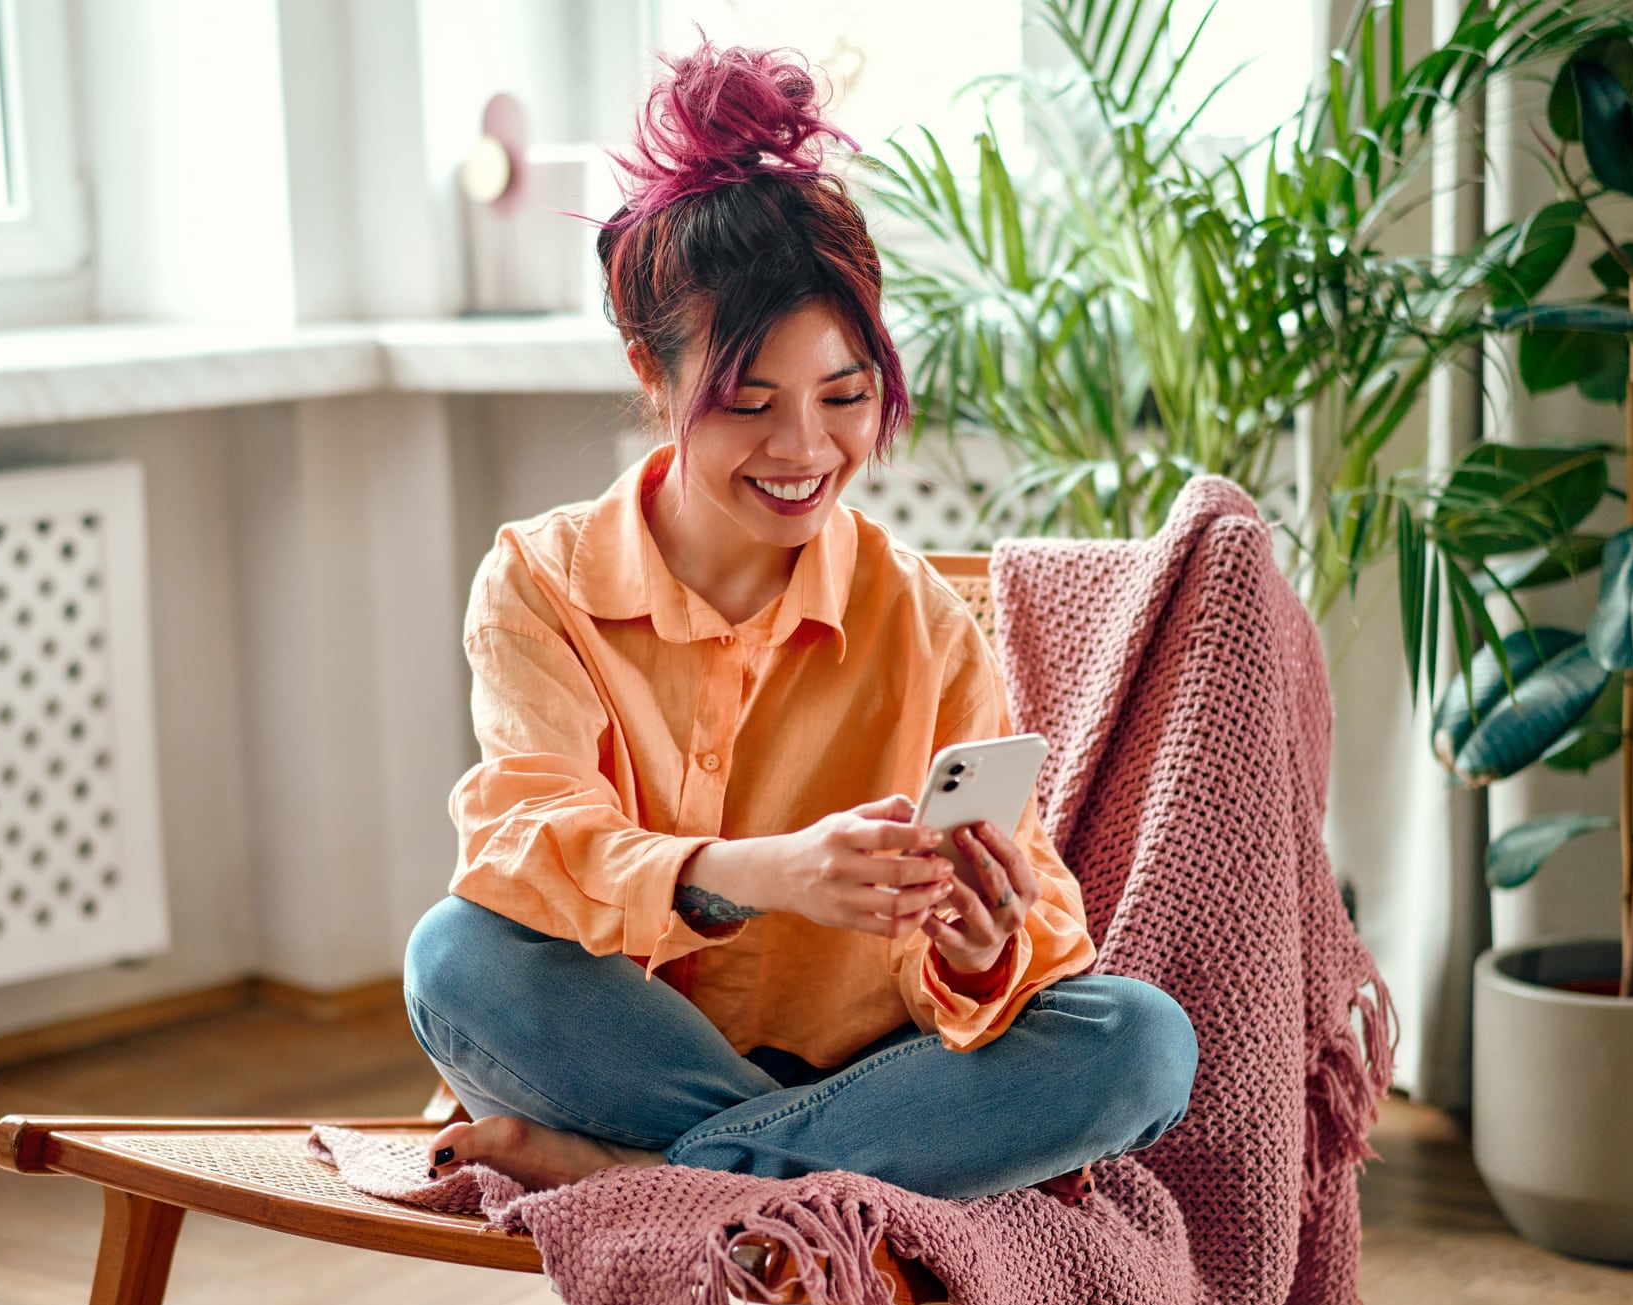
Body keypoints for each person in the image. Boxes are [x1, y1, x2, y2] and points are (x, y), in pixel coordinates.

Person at [403, 40, 1197, 1202]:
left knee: (1140, 1042)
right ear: (652, 373)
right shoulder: (541, 581)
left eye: (845, 397)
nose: (806, 451)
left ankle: (648, 1176)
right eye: (752, 403)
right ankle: (786, 1164)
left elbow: (1027, 913)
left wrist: (977, 948)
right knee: (456, 954)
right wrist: (758, 873)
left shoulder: (924, 622)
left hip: (876, 1066)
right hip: (638, 1052)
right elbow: (527, 842)